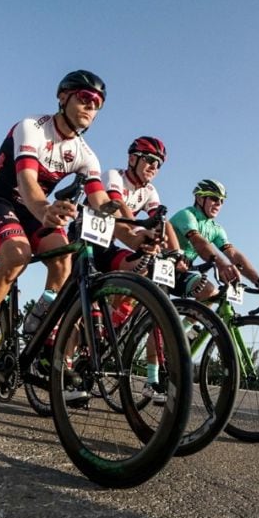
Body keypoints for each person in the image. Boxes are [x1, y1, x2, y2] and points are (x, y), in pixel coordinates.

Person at [0, 69, 122, 391]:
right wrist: (45, 210)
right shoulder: (32, 128)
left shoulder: (85, 154)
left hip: (36, 209)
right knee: (17, 255)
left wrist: (136, 231)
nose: (91, 107)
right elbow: (27, 182)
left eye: (98, 104)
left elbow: (100, 201)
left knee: (63, 261)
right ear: (63, 97)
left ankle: (42, 331)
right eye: (85, 98)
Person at [93, 136, 188, 404]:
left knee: (142, 271)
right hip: (90, 239)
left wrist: (176, 253)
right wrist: (141, 232)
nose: (153, 167)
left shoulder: (150, 191)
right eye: (149, 160)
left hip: (116, 243)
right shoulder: (114, 176)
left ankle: (115, 316)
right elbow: (118, 208)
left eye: (158, 164)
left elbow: (162, 222)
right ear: (132, 159)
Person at [169, 179, 259, 303]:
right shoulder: (187, 215)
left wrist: (258, 281)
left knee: (210, 293)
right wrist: (222, 265)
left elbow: (233, 254)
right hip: (160, 266)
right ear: (200, 199)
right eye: (214, 199)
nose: (219, 204)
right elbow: (198, 242)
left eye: (222, 201)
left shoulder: (215, 229)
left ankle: (185, 324)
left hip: (181, 271)